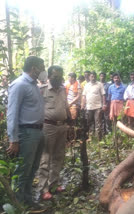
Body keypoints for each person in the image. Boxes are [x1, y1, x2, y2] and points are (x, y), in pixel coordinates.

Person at [6, 56, 45, 209]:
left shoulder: (34, 85)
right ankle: (17, 204)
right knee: (23, 169)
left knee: (33, 167)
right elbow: (12, 113)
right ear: (34, 68)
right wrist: (13, 139)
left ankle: (27, 200)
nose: (43, 70)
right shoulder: (19, 85)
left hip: (38, 132)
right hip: (27, 133)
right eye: (41, 67)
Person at [37, 65, 70, 200]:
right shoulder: (42, 90)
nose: (58, 79)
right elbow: (36, 108)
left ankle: (54, 185)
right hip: (48, 127)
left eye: (60, 76)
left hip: (62, 126)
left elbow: (66, 106)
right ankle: (43, 189)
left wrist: (70, 121)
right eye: (55, 76)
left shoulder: (63, 89)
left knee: (58, 156)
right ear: (49, 76)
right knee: (45, 158)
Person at [81, 72, 106, 140]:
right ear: (89, 77)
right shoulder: (86, 85)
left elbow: (103, 95)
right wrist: (83, 105)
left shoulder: (99, 84)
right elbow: (84, 96)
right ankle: (91, 138)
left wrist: (104, 104)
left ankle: (98, 140)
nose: (93, 77)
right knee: (90, 123)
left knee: (98, 123)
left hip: (98, 107)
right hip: (89, 107)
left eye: (94, 76)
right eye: (92, 76)